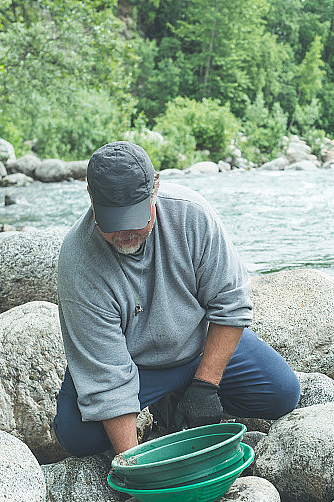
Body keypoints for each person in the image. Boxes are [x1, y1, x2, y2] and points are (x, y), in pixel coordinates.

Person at [53, 141, 300, 457]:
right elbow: (107, 373)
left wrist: (206, 387)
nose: (125, 233)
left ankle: (180, 395)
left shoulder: (192, 215)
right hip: (131, 364)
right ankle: (163, 398)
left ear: (155, 188)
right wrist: (135, 463)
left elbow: (232, 303)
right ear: (90, 196)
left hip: (196, 345)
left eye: (135, 218)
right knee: (79, 437)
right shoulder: (78, 258)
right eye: (114, 223)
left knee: (282, 394)